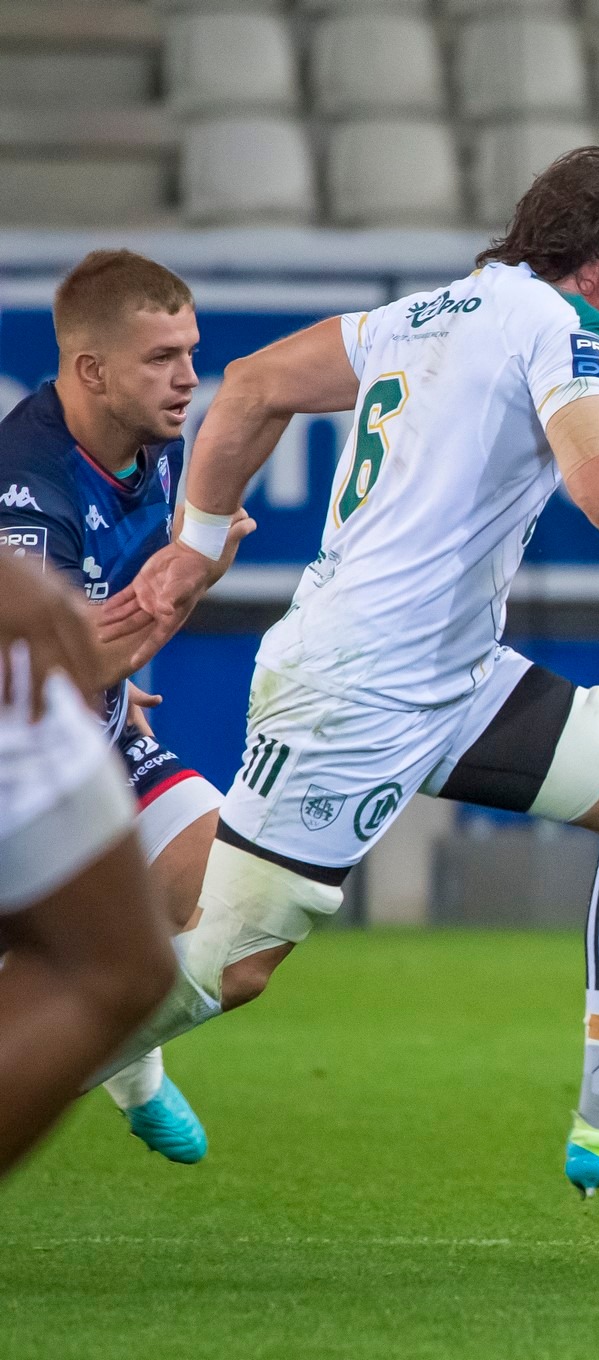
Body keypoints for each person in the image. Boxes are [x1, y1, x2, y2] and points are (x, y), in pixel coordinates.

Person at [97, 147, 599, 1199]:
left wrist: (196, 541)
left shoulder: (428, 314)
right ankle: (74, 1041)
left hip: (450, 675)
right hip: (362, 687)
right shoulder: (566, 325)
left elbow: (256, 386)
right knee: (229, 966)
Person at [0, 249, 252, 1162]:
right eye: (160, 359)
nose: (188, 377)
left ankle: (117, 1057)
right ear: (91, 369)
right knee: (72, 960)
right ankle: (112, 1061)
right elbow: (53, 667)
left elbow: (105, 630)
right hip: (24, 764)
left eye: (190, 351)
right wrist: (195, 579)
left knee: (242, 907)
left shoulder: (154, 447)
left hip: (96, 738)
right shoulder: (25, 483)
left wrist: (119, 667)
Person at [0, 549, 175, 1180]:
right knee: (114, 967)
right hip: (23, 671)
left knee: (121, 967)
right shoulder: (36, 468)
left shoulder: (155, 473)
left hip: (40, 682)